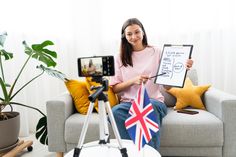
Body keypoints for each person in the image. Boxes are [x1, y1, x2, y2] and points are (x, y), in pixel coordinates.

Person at [109, 18, 193, 150]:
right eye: (129, 34)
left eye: (137, 32)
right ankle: (130, 152)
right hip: (129, 104)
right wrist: (133, 81)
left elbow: (167, 86)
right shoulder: (119, 57)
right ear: (124, 37)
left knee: (149, 108)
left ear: (143, 32)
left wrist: (182, 70)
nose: (134, 37)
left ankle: (150, 153)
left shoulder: (157, 52)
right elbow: (114, 89)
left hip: (153, 102)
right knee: (115, 112)